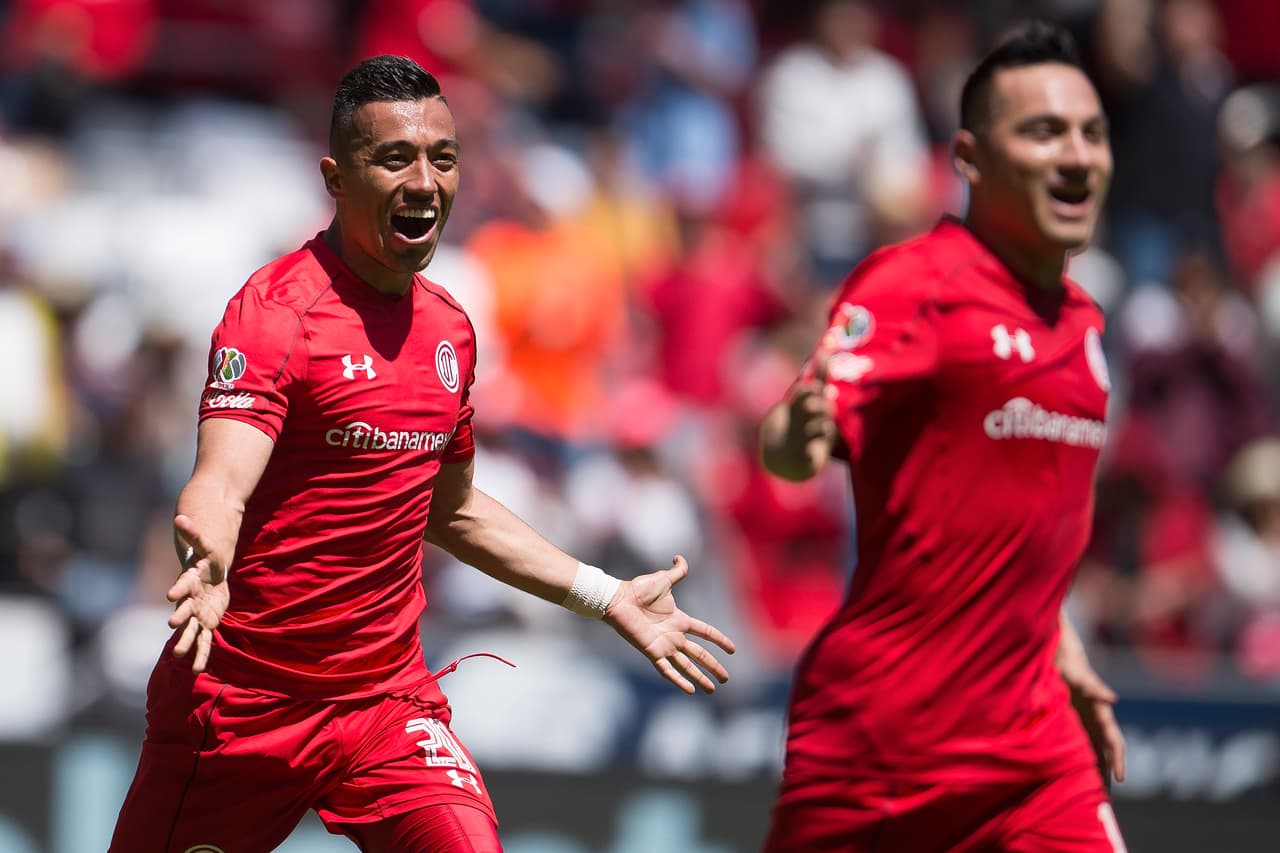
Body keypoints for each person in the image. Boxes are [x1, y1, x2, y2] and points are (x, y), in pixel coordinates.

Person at [108, 55, 735, 853]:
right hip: (246, 703)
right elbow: (220, 480)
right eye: (396, 158)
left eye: (443, 158)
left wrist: (604, 594)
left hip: (386, 703)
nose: (425, 182)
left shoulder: (450, 329)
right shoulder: (276, 315)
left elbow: (452, 506)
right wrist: (207, 554)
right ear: (336, 178)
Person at [758, 22, 1128, 852]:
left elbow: (1019, 517)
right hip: (883, 743)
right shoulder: (916, 284)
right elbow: (788, 437)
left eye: (1092, 134)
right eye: (1045, 132)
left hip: (1038, 747)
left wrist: (1059, 641)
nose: (1077, 156)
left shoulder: (1087, 324)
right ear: (970, 157)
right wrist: (798, 430)